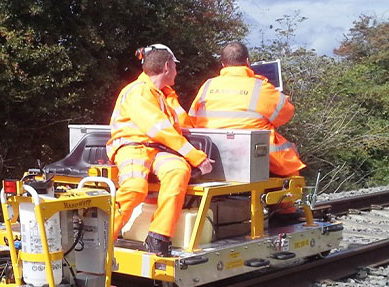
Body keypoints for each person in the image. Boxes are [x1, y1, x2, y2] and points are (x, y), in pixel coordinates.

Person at [107, 44, 213, 256]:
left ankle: (159, 237)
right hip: (131, 147)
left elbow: (177, 128)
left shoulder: (161, 95)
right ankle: (102, 239)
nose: (177, 71)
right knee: (135, 189)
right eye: (175, 66)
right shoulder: (137, 92)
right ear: (167, 66)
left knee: (178, 171)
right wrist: (197, 158)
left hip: (157, 151)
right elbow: (160, 130)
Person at [188, 41, 305, 177]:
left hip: (210, 151)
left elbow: (192, 118)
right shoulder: (260, 87)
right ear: (248, 62)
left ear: (223, 64)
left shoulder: (208, 85)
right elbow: (287, 113)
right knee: (290, 163)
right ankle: (291, 196)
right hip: (252, 154)